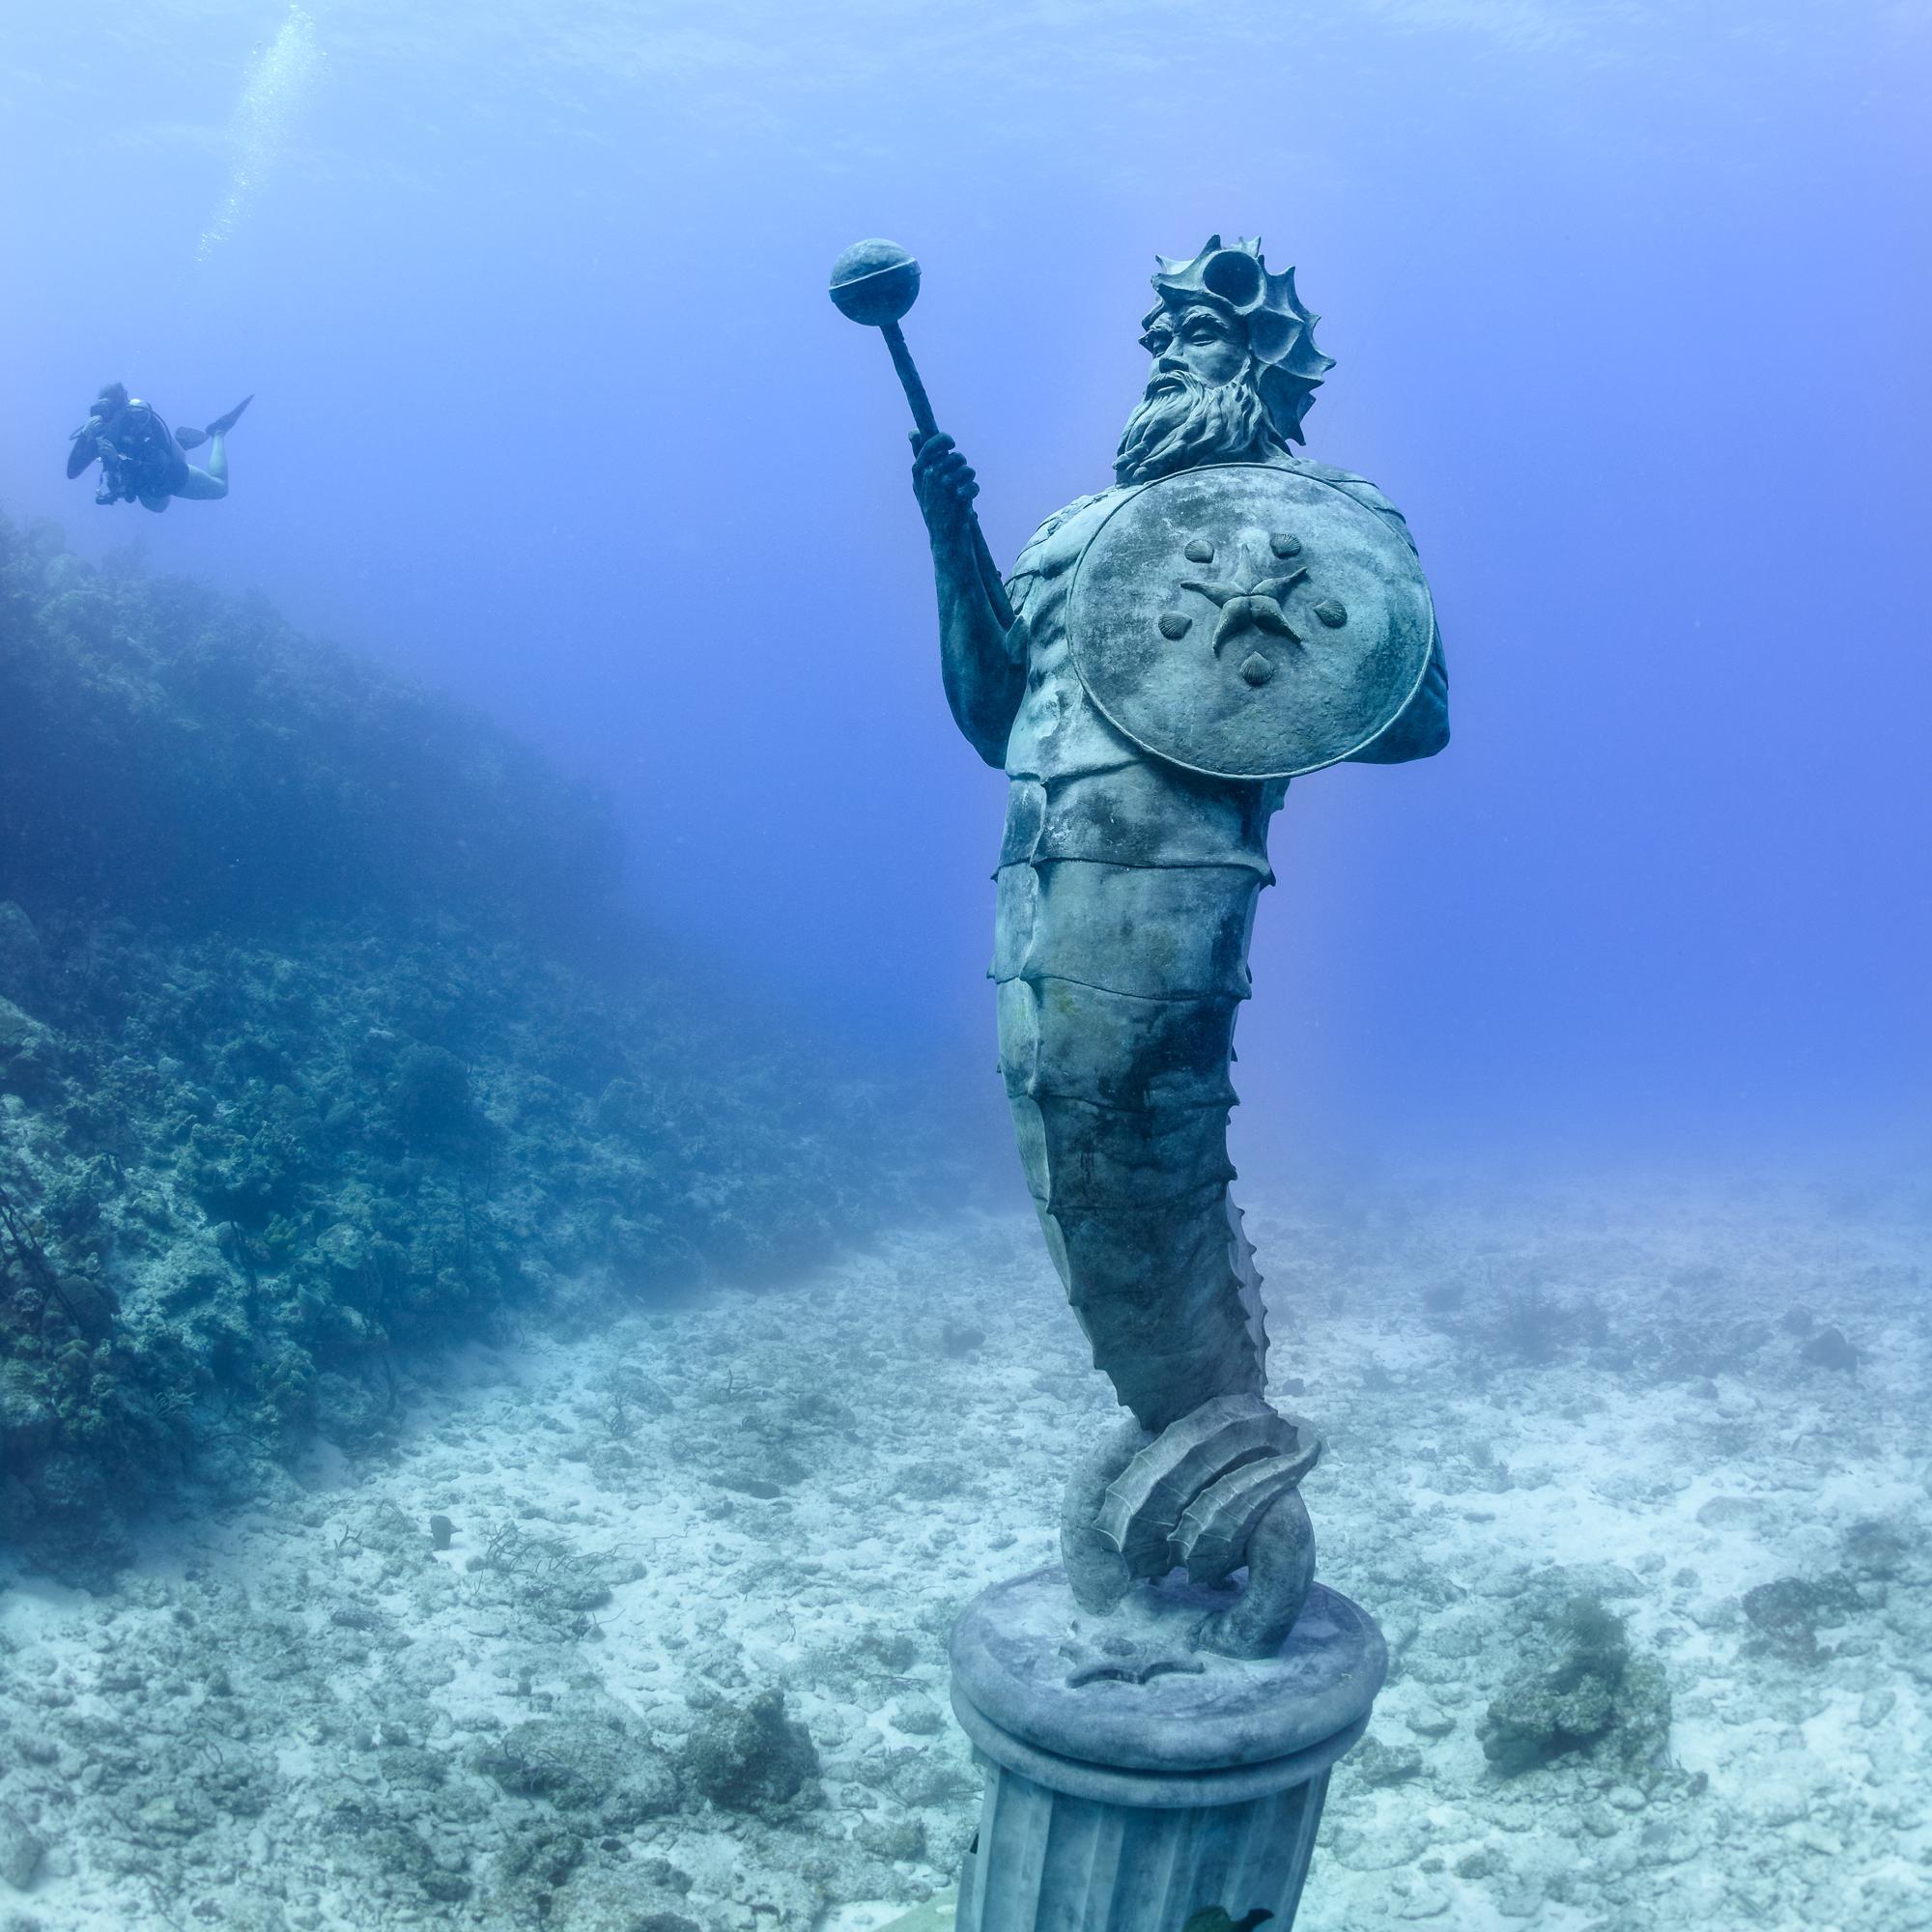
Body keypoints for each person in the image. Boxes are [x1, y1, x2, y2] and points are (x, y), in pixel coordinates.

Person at [66, 383, 252, 511]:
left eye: (108, 411)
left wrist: (118, 459)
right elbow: (72, 472)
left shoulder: (139, 420)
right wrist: (84, 436)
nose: (102, 417)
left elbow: (163, 466)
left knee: (220, 489)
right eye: (98, 410)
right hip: (143, 487)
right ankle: (181, 443)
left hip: (165, 475)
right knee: (158, 508)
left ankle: (218, 432)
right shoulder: (97, 433)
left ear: (121, 409)